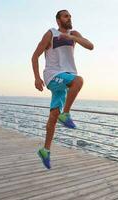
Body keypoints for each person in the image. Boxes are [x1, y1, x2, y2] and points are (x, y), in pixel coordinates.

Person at [32, 9, 94, 169]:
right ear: (58, 20)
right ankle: (66, 114)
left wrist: (72, 37)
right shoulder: (51, 33)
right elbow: (34, 56)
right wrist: (37, 78)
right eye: (66, 16)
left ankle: (45, 151)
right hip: (53, 76)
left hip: (65, 77)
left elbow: (90, 46)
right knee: (78, 81)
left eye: (70, 16)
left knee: (53, 116)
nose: (69, 18)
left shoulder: (74, 33)